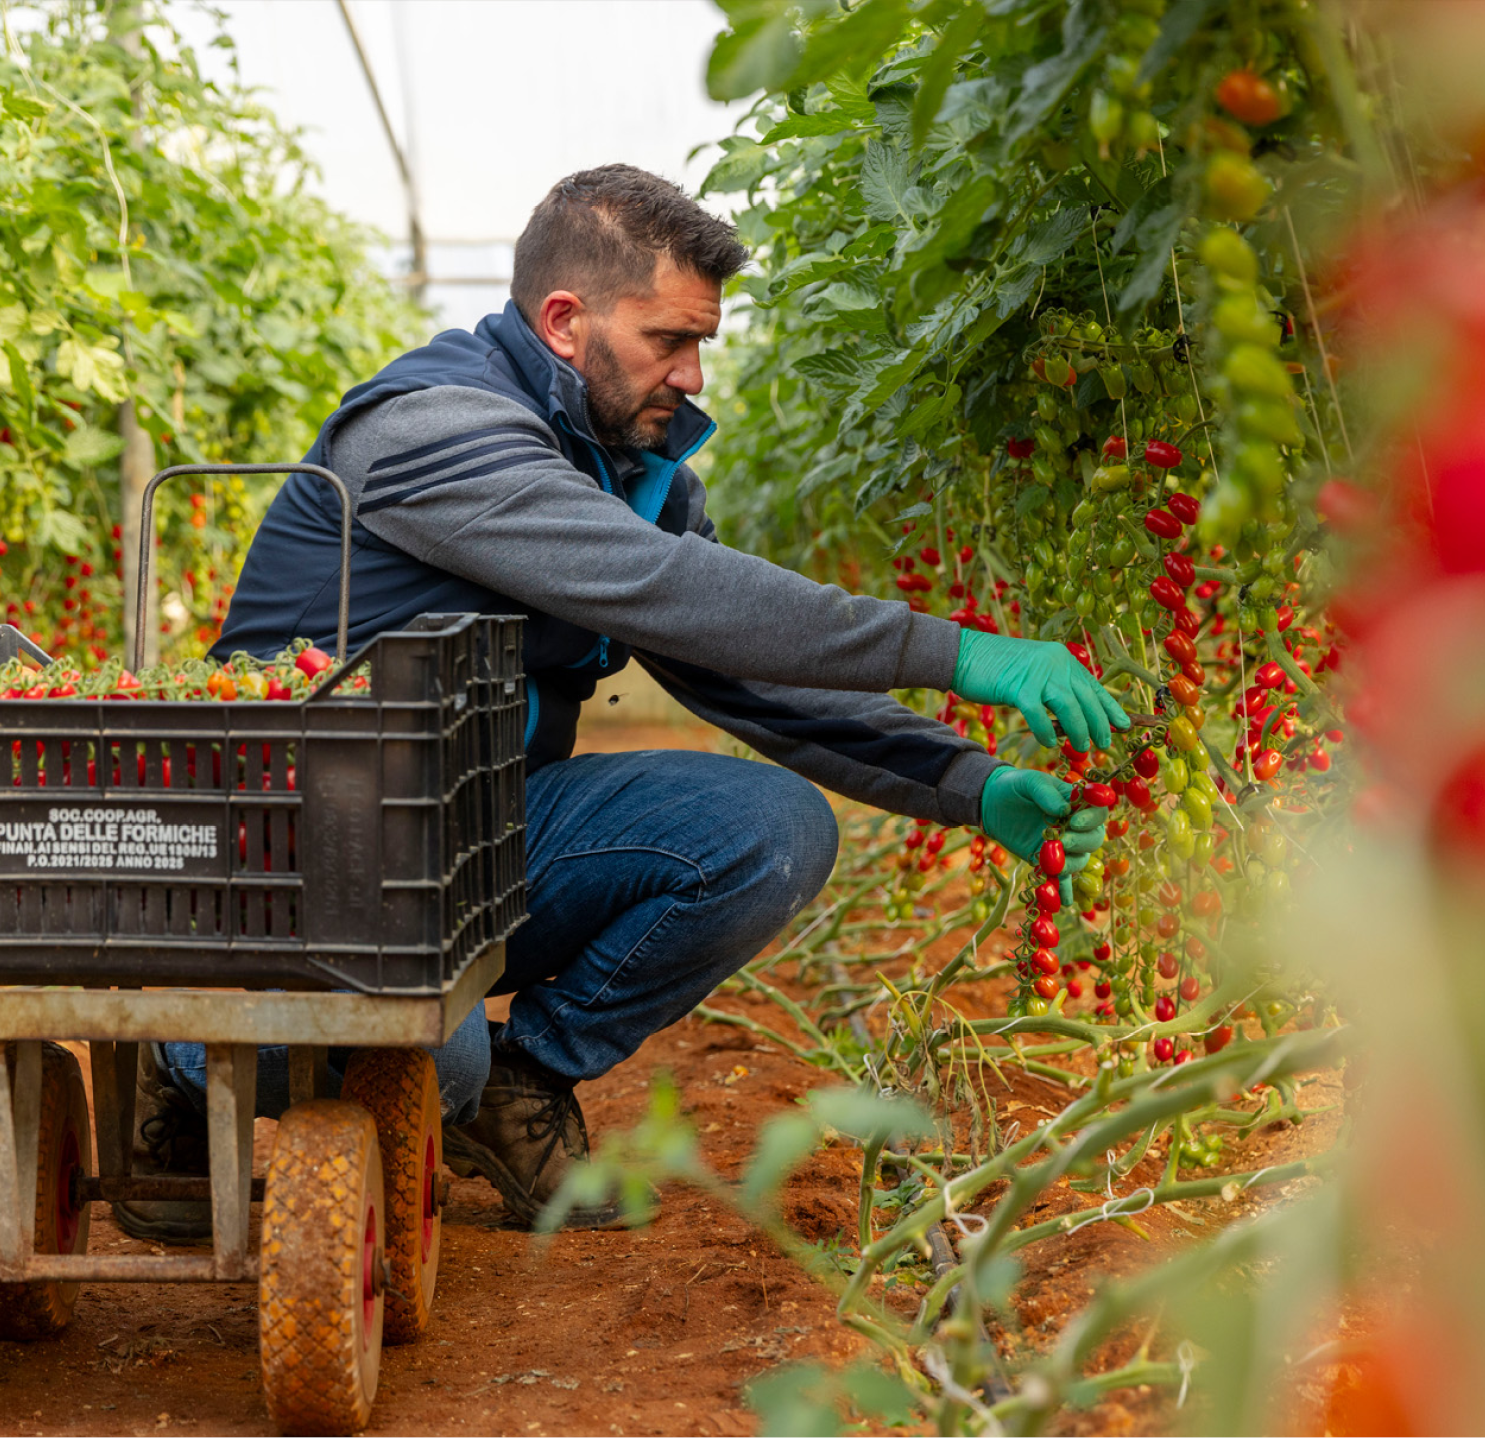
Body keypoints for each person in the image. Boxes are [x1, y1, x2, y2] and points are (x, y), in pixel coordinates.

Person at [113, 164, 1127, 1242]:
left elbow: (742, 669)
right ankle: (183, 1063)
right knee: (427, 1059)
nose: (692, 375)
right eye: (667, 340)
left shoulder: (631, 471)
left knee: (768, 832)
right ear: (564, 321)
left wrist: (967, 782)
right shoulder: (434, 432)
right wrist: (953, 652)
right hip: (285, 859)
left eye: (701, 343)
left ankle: (527, 1074)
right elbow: (667, 587)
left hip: (457, 843)